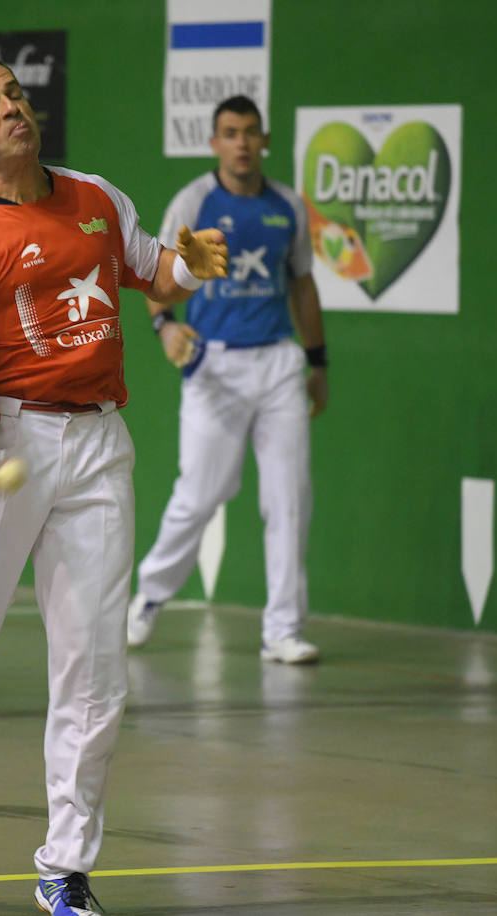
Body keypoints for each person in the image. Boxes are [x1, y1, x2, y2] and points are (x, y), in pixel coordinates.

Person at [0, 57, 226, 916]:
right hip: (9, 445)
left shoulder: (95, 195)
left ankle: (65, 868)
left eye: (14, 93)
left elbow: (154, 272)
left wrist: (193, 263)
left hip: (100, 445)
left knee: (96, 667)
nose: (12, 107)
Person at [126, 95, 328, 665]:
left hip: (278, 366)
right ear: (215, 142)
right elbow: (155, 272)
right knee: (200, 494)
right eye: (230, 132)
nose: (241, 142)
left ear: (265, 141)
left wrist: (318, 363)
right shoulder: (194, 200)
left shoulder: (287, 205)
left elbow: (304, 285)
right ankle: (150, 597)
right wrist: (165, 326)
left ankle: (282, 629)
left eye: (250, 133)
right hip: (212, 367)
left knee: (290, 498)